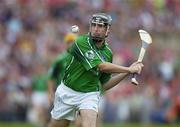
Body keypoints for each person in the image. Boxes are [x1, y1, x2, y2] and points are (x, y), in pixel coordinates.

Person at [48, 13, 143, 127]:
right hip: (68, 91)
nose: (96, 29)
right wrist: (128, 69)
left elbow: (105, 84)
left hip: (89, 94)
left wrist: (127, 73)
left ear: (107, 30)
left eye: (100, 26)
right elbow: (101, 66)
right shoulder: (81, 42)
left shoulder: (108, 53)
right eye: (93, 25)